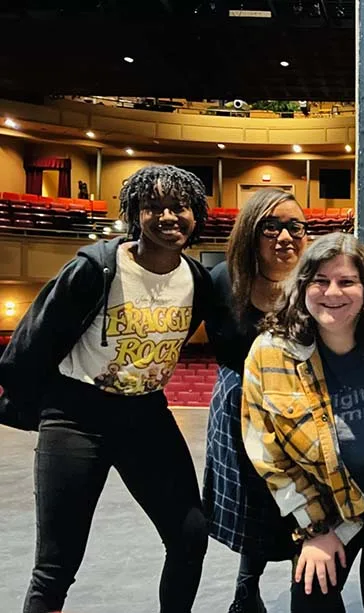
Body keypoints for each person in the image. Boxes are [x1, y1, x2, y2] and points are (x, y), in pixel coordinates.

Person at [0, 165, 212, 613]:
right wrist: (37, 411)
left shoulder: (196, 280)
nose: (168, 216)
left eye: (179, 207)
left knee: (190, 536)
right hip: (77, 417)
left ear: (197, 215)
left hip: (146, 416)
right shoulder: (96, 267)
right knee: (56, 565)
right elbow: (29, 344)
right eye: (153, 206)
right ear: (135, 213)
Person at [241, 232, 364, 613]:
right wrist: (314, 531)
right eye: (320, 281)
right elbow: (267, 453)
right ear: (302, 287)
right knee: (310, 600)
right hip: (329, 504)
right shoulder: (270, 353)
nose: (333, 292)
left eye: (347, 281)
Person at [203, 188, 309, 613]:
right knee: (255, 501)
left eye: (294, 226)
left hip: (300, 403)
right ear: (250, 232)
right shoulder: (222, 280)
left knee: (302, 499)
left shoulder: (313, 279)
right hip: (237, 406)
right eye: (271, 226)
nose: (284, 236)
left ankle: (309, 590)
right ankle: (247, 588)